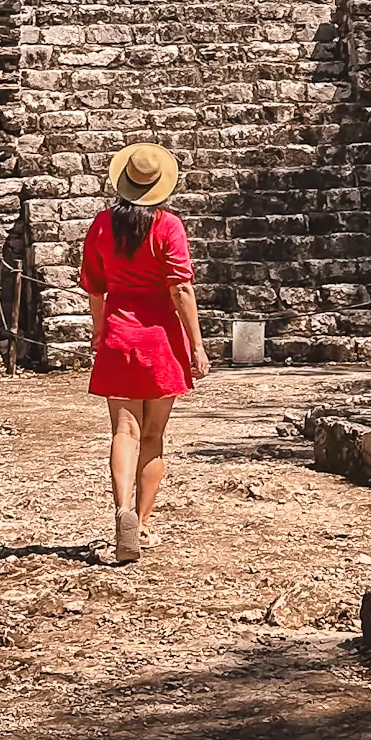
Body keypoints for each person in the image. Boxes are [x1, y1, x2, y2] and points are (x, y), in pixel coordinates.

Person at [80, 141, 210, 563]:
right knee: (153, 436)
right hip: (160, 341)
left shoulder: (101, 225)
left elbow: (95, 290)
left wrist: (100, 334)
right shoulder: (168, 226)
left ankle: (122, 512)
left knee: (124, 432)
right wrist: (196, 345)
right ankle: (145, 523)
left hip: (119, 337)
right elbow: (181, 288)